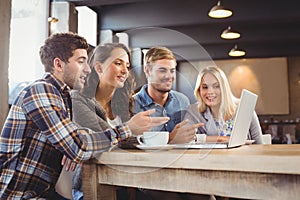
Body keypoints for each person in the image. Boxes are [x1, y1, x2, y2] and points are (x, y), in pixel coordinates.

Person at [0, 32, 169, 199]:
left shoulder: (63, 96)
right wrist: (128, 129)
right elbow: (79, 147)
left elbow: (79, 138)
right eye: (81, 62)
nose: (88, 70)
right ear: (59, 65)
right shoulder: (41, 90)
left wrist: (74, 143)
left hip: (43, 193)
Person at [70, 43, 138, 200]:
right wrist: (132, 130)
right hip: (89, 185)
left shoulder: (122, 104)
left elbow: (128, 142)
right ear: (99, 68)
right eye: (118, 63)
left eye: (127, 66)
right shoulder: (78, 100)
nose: (125, 71)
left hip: (123, 181)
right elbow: (103, 137)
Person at [133, 46, 202, 144]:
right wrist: (170, 138)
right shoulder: (132, 104)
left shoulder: (183, 100)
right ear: (148, 71)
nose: (169, 76)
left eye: (172, 71)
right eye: (162, 70)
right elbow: (130, 143)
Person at [184, 66, 263, 144]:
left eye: (216, 86)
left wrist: (201, 138)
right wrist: (220, 139)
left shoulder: (244, 108)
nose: (210, 92)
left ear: (224, 88)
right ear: (199, 90)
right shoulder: (193, 111)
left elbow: (259, 144)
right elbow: (185, 139)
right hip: (212, 157)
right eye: (205, 87)